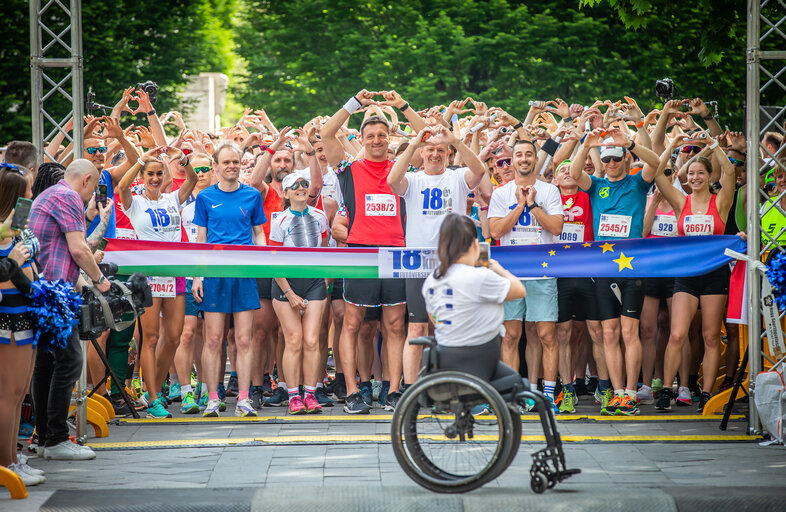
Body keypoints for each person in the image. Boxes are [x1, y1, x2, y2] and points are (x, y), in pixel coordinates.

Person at [320, 89, 425, 414]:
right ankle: (352, 392)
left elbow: (424, 134)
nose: (377, 140)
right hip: (361, 255)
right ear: (361, 138)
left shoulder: (403, 168)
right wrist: (354, 104)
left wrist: (401, 105)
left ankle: (394, 391)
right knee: (351, 325)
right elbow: (325, 133)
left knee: (395, 326)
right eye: (371, 135)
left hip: (396, 255)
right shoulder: (349, 168)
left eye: (382, 135)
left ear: (390, 137)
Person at [387, 124, 486, 395]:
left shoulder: (457, 176)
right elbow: (392, 181)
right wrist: (413, 144)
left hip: (451, 263)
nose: (434, 154)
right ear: (422, 152)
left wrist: (456, 140)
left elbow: (479, 171)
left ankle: (455, 386)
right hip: (417, 263)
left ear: (448, 154)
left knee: (453, 325)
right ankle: (410, 390)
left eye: (440, 150)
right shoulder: (414, 179)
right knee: (417, 327)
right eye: (429, 150)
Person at [568, 127, 660, 416]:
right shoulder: (595, 184)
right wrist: (587, 144)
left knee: (629, 331)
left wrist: (630, 142)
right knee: (609, 333)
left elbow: (655, 163)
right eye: (606, 160)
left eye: (616, 159)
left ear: (625, 159)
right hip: (604, 267)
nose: (610, 164)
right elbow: (573, 173)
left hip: (632, 266)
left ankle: (631, 392)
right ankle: (616, 392)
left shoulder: (637, 182)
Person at [29, 159, 110, 460]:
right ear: (87, 180)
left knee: (47, 366)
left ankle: (45, 437)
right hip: (55, 291)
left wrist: (97, 221)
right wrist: (100, 280)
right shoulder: (67, 196)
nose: (91, 194)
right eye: (94, 187)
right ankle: (56, 440)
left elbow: (73, 247)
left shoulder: (51, 195)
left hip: (45, 289)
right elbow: (78, 249)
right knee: (70, 361)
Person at [653, 132, 736, 412]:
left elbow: (730, 169)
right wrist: (673, 147)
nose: (696, 177)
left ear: (709, 176)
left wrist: (712, 144)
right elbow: (658, 175)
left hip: (714, 274)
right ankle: (667, 390)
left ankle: (707, 394)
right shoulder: (681, 202)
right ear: (685, 176)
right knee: (677, 335)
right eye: (691, 173)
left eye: (701, 172)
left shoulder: (721, 201)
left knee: (711, 337)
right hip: (686, 275)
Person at [117, 146, 197, 418]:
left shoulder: (173, 198)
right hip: (149, 278)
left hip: (173, 275)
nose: (154, 178)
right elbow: (122, 186)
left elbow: (193, 180)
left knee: (173, 337)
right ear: (143, 176)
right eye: (149, 174)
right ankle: (153, 399)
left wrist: (182, 159)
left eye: (158, 173)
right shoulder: (134, 202)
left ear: (164, 176)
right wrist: (142, 157)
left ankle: (157, 388)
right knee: (150, 338)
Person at [488, 139, 564, 412]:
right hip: (511, 274)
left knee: (545, 334)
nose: (522, 159)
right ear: (512, 160)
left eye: (527, 154)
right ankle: (512, 397)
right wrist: (520, 206)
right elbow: (495, 232)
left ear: (534, 159)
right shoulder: (501, 193)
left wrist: (533, 206)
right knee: (510, 336)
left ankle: (546, 394)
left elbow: (556, 228)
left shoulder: (549, 190)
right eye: (518, 155)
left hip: (543, 271)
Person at [192, 142, 267, 417]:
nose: (232, 166)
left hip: (244, 275)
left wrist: (261, 256)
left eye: (235, 161)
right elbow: (200, 239)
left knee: (245, 340)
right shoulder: (205, 197)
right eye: (226, 162)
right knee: (213, 340)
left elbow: (258, 232)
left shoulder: (252, 195)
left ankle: (244, 400)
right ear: (216, 167)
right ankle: (213, 398)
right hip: (214, 276)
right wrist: (197, 276)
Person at [422, 213, 525, 379]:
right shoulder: (480, 276)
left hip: (446, 354)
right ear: (475, 244)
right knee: (517, 383)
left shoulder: (432, 279)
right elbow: (519, 290)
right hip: (481, 357)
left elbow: (433, 316)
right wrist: (498, 268)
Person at [269, 173, 329, 414]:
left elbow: (324, 251)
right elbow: (273, 263)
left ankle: (311, 393)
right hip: (285, 284)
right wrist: (290, 293)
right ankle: (294, 395)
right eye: (295, 186)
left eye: (305, 184)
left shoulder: (320, 217)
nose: (301, 188)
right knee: (293, 339)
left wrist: (325, 280)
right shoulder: (279, 220)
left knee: (312, 340)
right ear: (286, 193)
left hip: (314, 282)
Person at [0, 168, 42, 485]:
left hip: (26, 317)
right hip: (8, 322)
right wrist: (14, 260)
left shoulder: (16, 233)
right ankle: (6, 464)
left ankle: (13, 457)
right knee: (8, 394)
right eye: (27, 192)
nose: (31, 198)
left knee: (18, 395)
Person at [177, 152, 214, 413]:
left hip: (215, 276)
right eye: (196, 169)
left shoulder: (220, 201)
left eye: (205, 168)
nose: (200, 174)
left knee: (210, 335)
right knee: (187, 333)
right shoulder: (181, 205)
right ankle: (185, 391)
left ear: (214, 171)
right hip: (187, 276)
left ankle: (206, 388)